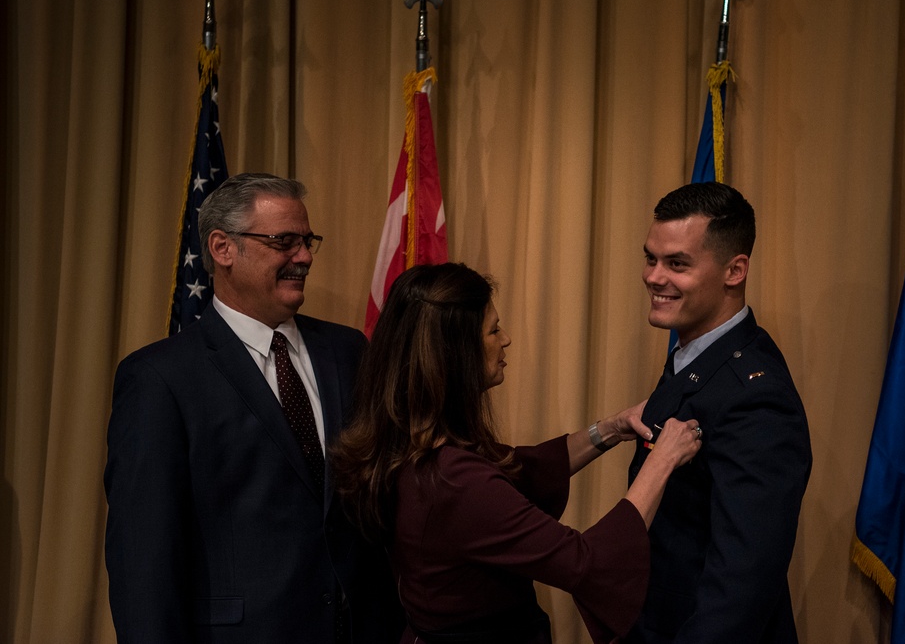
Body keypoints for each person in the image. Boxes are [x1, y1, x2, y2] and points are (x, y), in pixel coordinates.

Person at [332, 262, 702, 644]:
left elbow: (523, 469)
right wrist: (662, 462)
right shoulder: (455, 480)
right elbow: (587, 563)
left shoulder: (410, 440)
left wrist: (608, 430)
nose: (505, 339)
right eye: (493, 330)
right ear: (455, 354)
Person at [104, 173, 403, 643]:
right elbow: (143, 559)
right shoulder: (161, 379)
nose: (304, 257)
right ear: (223, 248)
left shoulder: (348, 352)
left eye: (307, 241)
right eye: (284, 241)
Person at [624, 182, 812, 643]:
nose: (654, 276)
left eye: (677, 264)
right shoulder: (697, 354)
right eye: (652, 258)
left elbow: (740, 586)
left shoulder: (756, 395)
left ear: (735, 270)